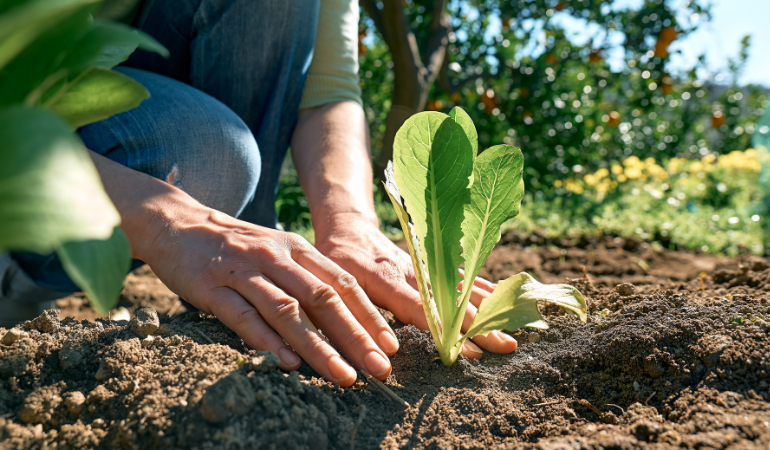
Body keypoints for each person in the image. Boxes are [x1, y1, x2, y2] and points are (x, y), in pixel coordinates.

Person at [0, 0, 517, 386]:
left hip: (109, 105)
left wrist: (350, 225)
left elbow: (329, 92)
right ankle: (16, 269)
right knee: (218, 157)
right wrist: (166, 219)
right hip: (20, 121)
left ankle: (252, 282)